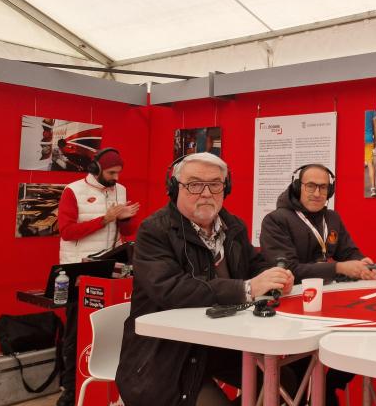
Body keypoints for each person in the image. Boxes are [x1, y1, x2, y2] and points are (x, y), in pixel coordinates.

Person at [116, 153, 293, 406]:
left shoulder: (233, 226)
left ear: (226, 187)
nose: (206, 192)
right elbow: (171, 289)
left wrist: (276, 275)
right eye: (194, 184)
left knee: (285, 381)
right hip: (166, 355)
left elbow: (254, 265)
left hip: (219, 345)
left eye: (215, 184)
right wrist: (248, 287)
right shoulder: (154, 230)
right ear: (175, 188)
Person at [260, 163, 376, 405]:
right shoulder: (276, 221)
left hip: (326, 304)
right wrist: (338, 268)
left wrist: (360, 262)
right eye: (311, 186)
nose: (317, 193)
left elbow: (349, 251)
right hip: (291, 310)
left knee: (363, 336)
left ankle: (328, 387)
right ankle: (304, 398)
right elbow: (289, 270)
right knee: (302, 363)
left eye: (323, 187)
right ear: (297, 187)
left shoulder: (331, 218)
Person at [55, 147, 139, 406]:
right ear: (96, 169)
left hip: (110, 267)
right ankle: (69, 391)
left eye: (119, 173)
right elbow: (67, 232)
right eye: (112, 172)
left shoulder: (121, 190)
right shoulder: (73, 191)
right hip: (77, 269)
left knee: (113, 328)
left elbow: (127, 230)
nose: (116, 178)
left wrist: (125, 220)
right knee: (74, 334)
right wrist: (106, 218)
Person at [364, 110, 376, 197]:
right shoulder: (372, 110)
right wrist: (375, 139)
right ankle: (373, 188)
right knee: (370, 164)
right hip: (368, 139)